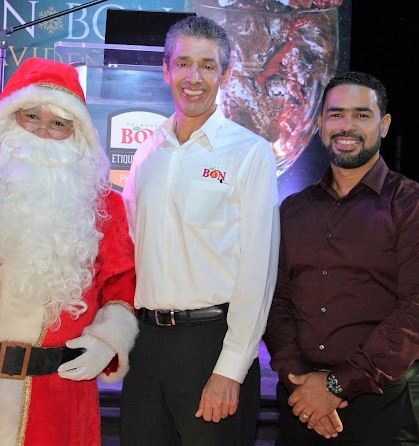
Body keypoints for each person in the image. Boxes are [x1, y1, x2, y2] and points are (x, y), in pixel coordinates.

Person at [0, 57, 138, 446]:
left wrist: (109, 339)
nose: (44, 131)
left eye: (59, 123)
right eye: (31, 116)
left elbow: (122, 281)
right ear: (7, 118)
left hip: (55, 400)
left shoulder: (104, 205)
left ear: (77, 133)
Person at [263, 71, 419, 445]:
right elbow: (275, 300)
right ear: (319, 125)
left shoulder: (415, 207)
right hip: (301, 401)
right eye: (336, 114)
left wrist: (335, 386)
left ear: (383, 125)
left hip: (385, 403)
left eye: (361, 115)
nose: (346, 126)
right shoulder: (292, 211)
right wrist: (301, 383)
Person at [121, 16, 280, 446]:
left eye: (208, 66)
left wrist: (231, 367)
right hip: (146, 344)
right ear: (166, 70)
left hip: (212, 343)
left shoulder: (250, 153)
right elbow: (131, 245)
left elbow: (258, 271)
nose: (194, 78)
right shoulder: (147, 152)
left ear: (226, 74)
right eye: (184, 63)